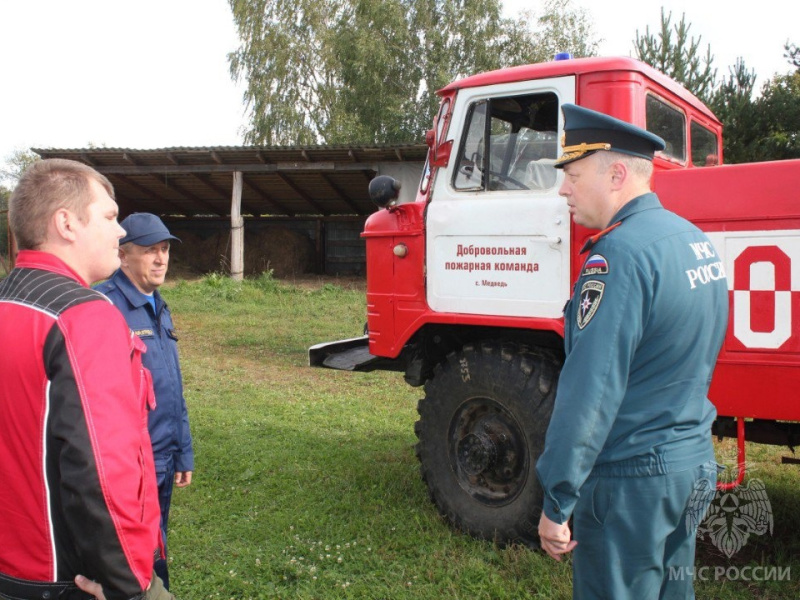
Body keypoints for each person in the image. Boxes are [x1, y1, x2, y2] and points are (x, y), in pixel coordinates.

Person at [535, 105, 728, 599]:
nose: (563, 189)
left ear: (617, 174)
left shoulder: (616, 257)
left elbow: (591, 391)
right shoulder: (693, 240)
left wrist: (557, 499)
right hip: (691, 464)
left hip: (632, 478)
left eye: (573, 175)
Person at [0, 159, 174, 599]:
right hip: (66, 579)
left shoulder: (8, 300)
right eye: (110, 217)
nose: (120, 233)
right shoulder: (84, 317)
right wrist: (127, 587)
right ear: (66, 224)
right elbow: (100, 474)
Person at [95, 213, 194, 591]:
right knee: (130, 550)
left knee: (157, 542)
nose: (161, 259)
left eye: (165, 249)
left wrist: (182, 450)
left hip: (164, 455)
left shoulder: (158, 305)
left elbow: (172, 385)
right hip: (131, 464)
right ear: (123, 256)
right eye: (150, 250)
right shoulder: (105, 307)